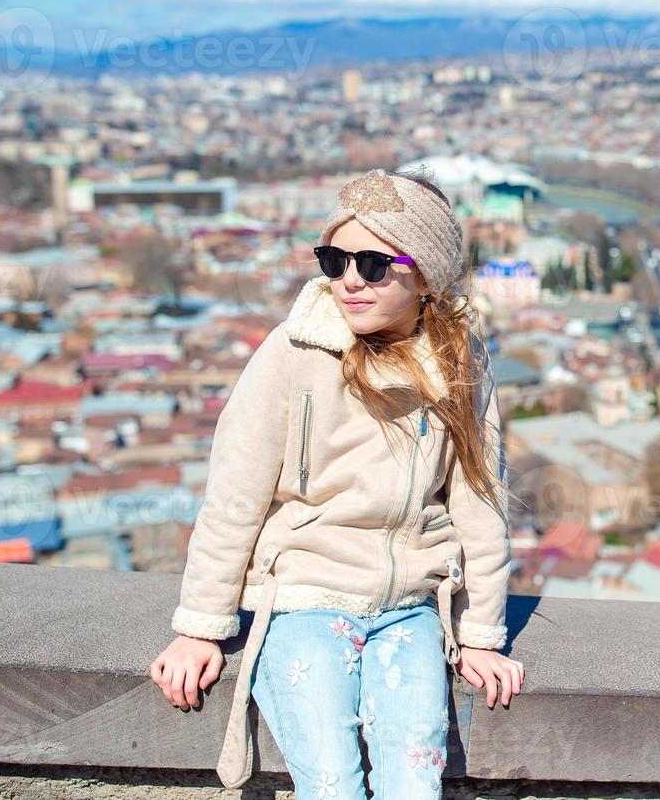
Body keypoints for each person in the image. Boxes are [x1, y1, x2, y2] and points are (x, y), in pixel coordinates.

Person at [151, 168, 524, 797]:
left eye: (375, 264)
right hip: (302, 597)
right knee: (332, 784)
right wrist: (200, 626)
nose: (350, 278)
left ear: (425, 275)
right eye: (335, 258)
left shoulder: (462, 361)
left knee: (414, 785)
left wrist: (480, 635)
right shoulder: (292, 352)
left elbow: (478, 501)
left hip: (410, 607)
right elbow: (236, 495)